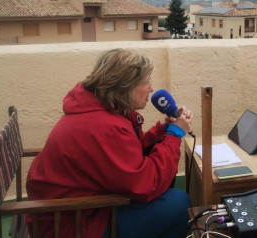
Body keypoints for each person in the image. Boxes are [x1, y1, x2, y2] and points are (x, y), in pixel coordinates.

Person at [26, 48, 193, 238]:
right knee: (179, 203)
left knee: (168, 196)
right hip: (73, 224)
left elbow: (126, 155)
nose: (151, 88)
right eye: (146, 81)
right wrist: (174, 135)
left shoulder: (100, 111)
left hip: (75, 211)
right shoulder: (104, 125)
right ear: (126, 86)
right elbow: (147, 184)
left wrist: (163, 130)